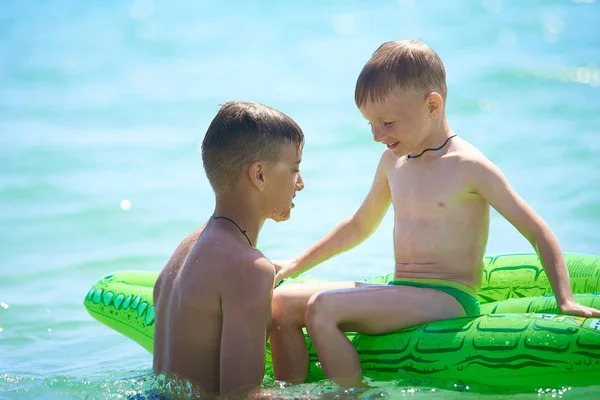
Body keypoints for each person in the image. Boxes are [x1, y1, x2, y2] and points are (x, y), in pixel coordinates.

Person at [269, 40, 600, 388]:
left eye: (387, 122)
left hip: (447, 298)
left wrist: (565, 299)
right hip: (403, 291)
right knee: (280, 304)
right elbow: (358, 226)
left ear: (432, 105)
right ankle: (291, 392)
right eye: (370, 124)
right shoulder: (393, 162)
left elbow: (535, 229)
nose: (377, 135)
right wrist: (295, 265)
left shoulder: (467, 166)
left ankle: (351, 395)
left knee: (323, 309)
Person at [152, 101, 305, 398]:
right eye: (294, 169)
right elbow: (241, 395)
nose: (300, 183)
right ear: (259, 175)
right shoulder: (249, 269)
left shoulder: (186, 249)